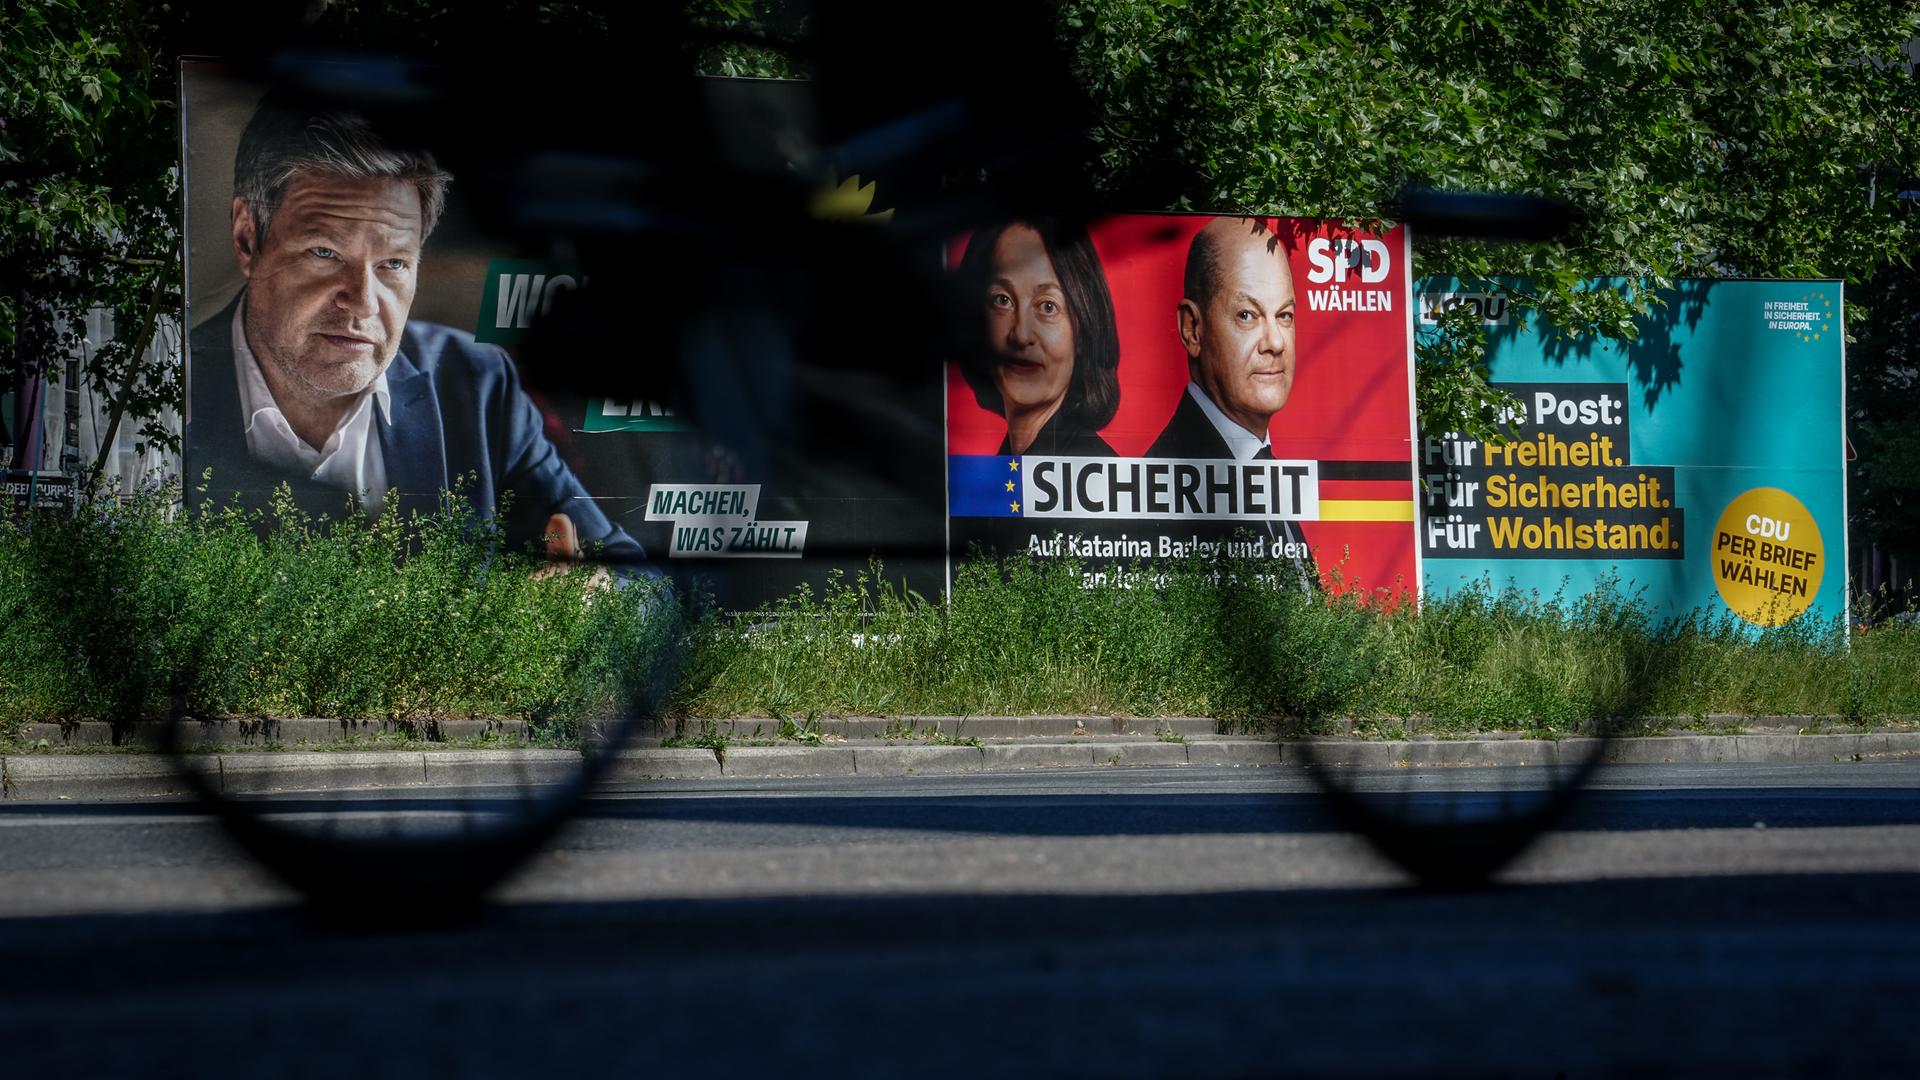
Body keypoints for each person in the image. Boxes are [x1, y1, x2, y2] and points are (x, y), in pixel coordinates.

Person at [187, 95, 639, 565]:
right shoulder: (172, 390)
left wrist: (592, 590)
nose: (362, 301)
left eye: (394, 263)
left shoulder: (477, 385)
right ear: (247, 238)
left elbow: (635, 578)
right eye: (325, 252)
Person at [1149, 216, 1314, 587]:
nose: (1276, 342)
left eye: (1284, 315)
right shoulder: (1165, 484)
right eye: (1247, 316)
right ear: (1193, 328)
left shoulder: (1264, 467)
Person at [954, 217, 1120, 456]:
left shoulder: (1092, 469)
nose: (1020, 335)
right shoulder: (1007, 465)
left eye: (1048, 307)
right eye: (1003, 300)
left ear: (1083, 330)